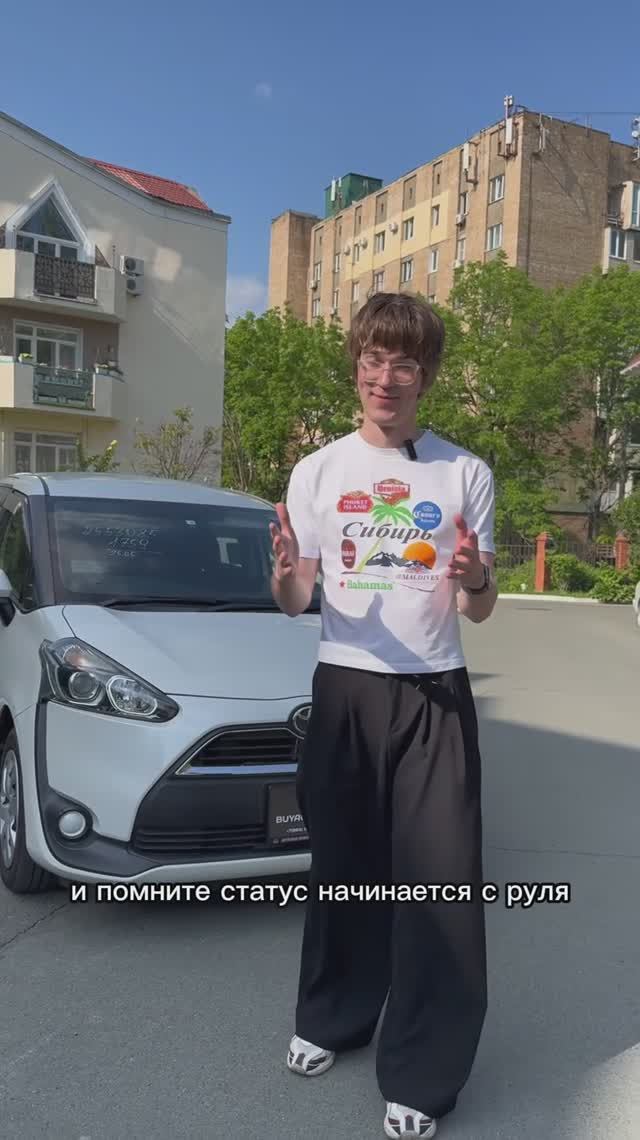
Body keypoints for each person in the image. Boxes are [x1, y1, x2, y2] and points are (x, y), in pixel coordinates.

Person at [269, 292, 497, 1139]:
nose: (386, 377)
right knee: (344, 866)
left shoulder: (463, 473)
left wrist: (475, 576)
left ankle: (424, 1070)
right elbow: (297, 597)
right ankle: (335, 1015)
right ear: (357, 366)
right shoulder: (319, 470)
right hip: (346, 689)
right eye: (373, 359)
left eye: (405, 363)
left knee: (440, 884)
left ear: (426, 375)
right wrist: (286, 574)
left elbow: (479, 608)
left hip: (434, 694)